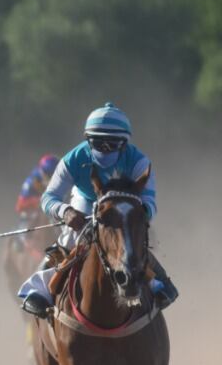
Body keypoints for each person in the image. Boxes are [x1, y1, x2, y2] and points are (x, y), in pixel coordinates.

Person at [18, 103, 177, 317]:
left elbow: (149, 200)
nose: (104, 148)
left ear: (124, 143)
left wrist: (139, 215)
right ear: (87, 139)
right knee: (69, 240)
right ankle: (39, 289)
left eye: (112, 144)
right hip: (85, 201)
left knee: (130, 240)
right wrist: (66, 212)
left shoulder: (139, 161)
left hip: (124, 206)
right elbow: (49, 197)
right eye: (98, 143)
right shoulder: (73, 159)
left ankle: (160, 283)